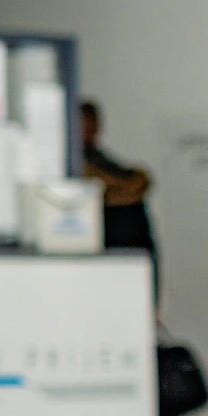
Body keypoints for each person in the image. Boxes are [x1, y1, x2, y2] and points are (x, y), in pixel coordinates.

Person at [81, 99, 159, 304]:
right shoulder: (72, 163)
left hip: (134, 253)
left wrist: (117, 188)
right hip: (106, 256)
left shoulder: (100, 157)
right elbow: (96, 184)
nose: (88, 127)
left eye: (91, 121)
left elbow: (140, 179)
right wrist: (120, 188)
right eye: (83, 121)